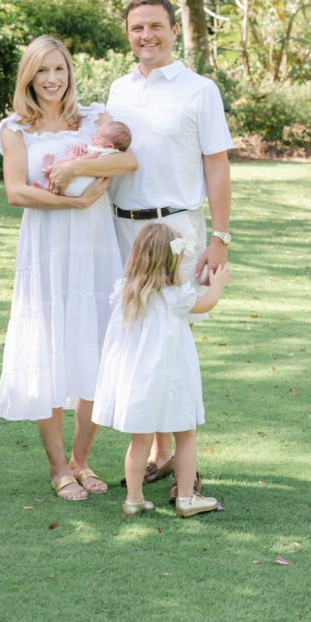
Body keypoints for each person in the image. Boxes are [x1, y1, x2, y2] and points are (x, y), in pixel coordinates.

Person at [47, 0, 233, 498]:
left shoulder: (201, 90)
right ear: (127, 34)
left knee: (173, 337)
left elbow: (216, 164)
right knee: (136, 339)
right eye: (136, 28)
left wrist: (219, 235)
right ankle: (159, 454)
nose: (145, 35)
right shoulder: (118, 90)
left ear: (175, 29)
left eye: (155, 26)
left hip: (177, 231)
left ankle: (185, 474)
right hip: (121, 230)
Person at [0, 35, 137, 500]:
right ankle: (58, 468)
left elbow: (129, 159)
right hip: (47, 245)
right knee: (48, 349)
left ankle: (81, 461)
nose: (52, 79)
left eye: (60, 69)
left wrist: (76, 172)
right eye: (42, 71)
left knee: (95, 346)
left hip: (94, 246)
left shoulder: (95, 117)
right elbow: (16, 192)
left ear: (69, 72)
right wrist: (72, 202)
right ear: (28, 77)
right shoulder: (15, 129)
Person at [93, 222, 230, 518]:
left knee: (139, 442)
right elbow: (207, 303)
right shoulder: (176, 297)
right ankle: (185, 498)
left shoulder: (125, 295)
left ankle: (133, 500)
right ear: (172, 261)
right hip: (173, 380)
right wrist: (217, 285)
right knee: (186, 435)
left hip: (138, 382)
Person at [34, 120, 132, 196]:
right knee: (68, 161)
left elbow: (92, 156)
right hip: (76, 184)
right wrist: (81, 145)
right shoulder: (103, 148)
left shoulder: (104, 151)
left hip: (76, 185)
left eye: (98, 138)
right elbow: (89, 150)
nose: (93, 138)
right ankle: (47, 185)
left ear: (110, 146)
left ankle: (48, 169)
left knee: (69, 159)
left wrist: (76, 157)